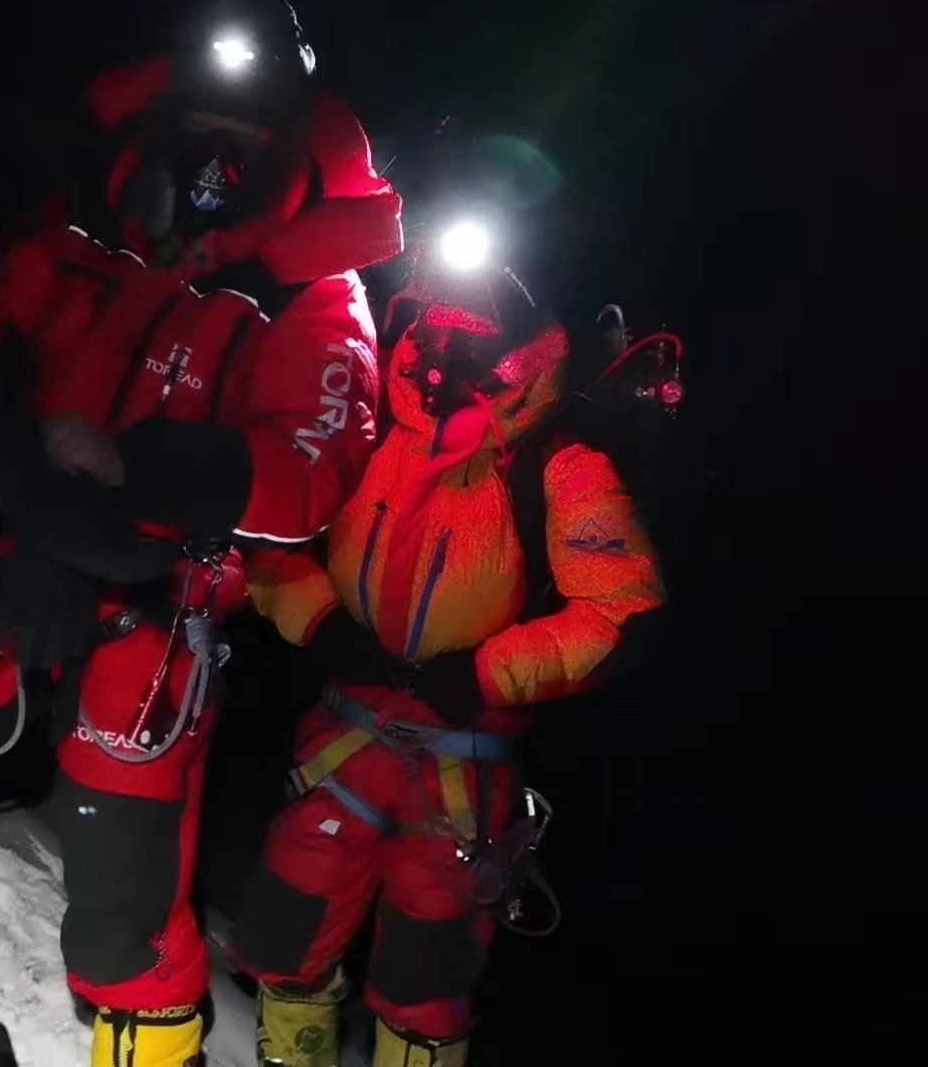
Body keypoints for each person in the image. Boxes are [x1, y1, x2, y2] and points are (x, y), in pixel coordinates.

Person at [0, 0, 404, 1064]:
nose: (213, 164)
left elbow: (311, 469)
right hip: (16, 538)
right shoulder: (89, 216)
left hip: (161, 597)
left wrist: (137, 470)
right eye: (196, 132)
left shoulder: (317, 294)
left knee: (123, 887)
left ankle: (149, 1040)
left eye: (241, 140)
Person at [228, 264, 666, 1066]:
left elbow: (620, 611)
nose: (451, 343)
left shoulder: (558, 461)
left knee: (424, 985)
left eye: (474, 329)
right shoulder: (368, 419)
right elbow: (274, 528)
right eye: (442, 320)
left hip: (459, 773)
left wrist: (487, 672)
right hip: (342, 742)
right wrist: (318, 618)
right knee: (283, 941)